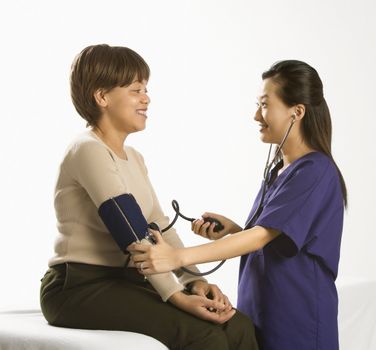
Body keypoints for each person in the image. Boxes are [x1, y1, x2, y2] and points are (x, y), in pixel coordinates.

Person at [39, 44, 258, 350]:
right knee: (204, 335)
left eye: (145, 88)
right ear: (102, 97)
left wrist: (195, 281)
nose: (146, 98)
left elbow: (159, 226)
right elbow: (131, 231)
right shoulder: (87, 149)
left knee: (238, 325)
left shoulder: (134, 157)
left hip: (128, 281)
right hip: (78, 287)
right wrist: (176, 295)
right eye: (135, 89)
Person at [129, 60, 347, 349]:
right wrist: (234, 230)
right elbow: (277, 238)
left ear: (297, 112)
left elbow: (260, 237)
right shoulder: (279, 170)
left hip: (299, 322)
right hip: (265, 315)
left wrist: (178, 258)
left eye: (265, 105)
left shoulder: (315, 171)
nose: (257, 115)